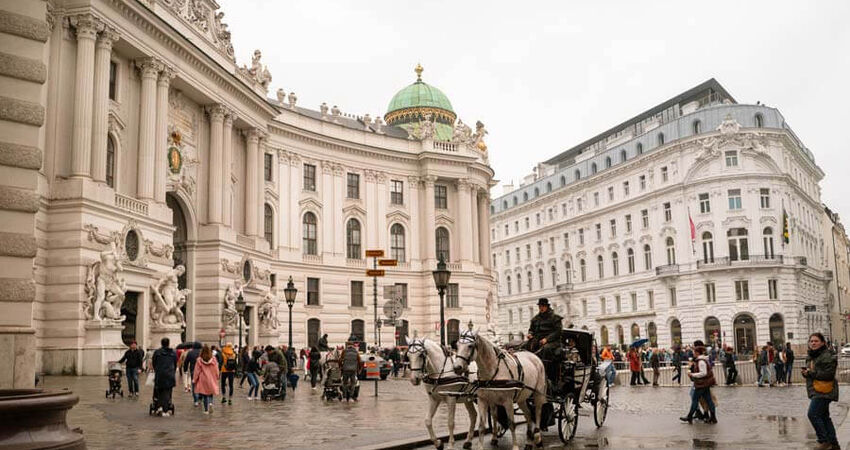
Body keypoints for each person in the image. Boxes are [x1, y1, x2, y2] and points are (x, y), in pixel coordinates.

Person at [803, 332, 839, 450]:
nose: (813, 343)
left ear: (823, 342)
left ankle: (824, 441)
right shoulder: (812, 356)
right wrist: (806, 373)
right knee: (824, 416)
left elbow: (828, 374)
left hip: (824, 390)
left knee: (813, 414)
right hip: (816, 388)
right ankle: (833, 443)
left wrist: (810, 373)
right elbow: (812, 372)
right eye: (811, 341)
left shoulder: (827, 356)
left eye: (816, 341)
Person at [523, 298, 563, 385]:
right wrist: (530, 334)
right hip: (538, 340)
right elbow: (531, 330)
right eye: (540, 306)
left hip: (553, 342)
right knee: (525, 346)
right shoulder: (536, 319)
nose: (541, 308)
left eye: (542, 306)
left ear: (547, 307)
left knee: (545, 349)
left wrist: (547, 339)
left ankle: (545, 372)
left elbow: (558, 332)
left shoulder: (555, 318)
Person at [680, 340, 717, 424]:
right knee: (708, 400)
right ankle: (713, 417)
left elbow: (703, 373)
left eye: (694, 351)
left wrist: (692, 374)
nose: (693, 353)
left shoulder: (701, 361)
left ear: (697, 352)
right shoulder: (701, 360)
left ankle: (690, 416)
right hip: (704, 383)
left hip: (701, 383)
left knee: (695, 400)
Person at [151, 337, 177, 416]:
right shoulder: (173, 353)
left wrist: (157, 370)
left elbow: (154, 363)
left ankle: (159, 406)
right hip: (170, 375)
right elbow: (175, 363)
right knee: (168, 392)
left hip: (160, 374)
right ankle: (166, 408)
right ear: (168, 343)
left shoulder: (157, 352)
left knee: (159, 391)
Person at [192, 345, 220, 414]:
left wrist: (194, 379)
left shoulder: (199, 360)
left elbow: (196, 371)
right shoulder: (213, 359)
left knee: (204, 395)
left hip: (203, 378)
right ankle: (210, 403)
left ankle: (206, 410)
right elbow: (216, 369)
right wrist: (217, 376)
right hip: (211, 378)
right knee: (210, 392)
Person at [182, 342, 202, 406]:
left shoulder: (190, 352)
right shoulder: (202, 353)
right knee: (201, 385)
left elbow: (186, 362)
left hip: (193, 370)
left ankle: (196, 400)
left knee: (194, 385)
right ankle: (200, 398)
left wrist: (185, 369)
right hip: (202, 371)